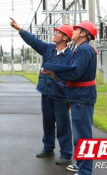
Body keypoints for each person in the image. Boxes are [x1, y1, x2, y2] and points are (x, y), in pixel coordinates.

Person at [10, 17, 73, 165]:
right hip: (47, 93)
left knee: (63, 125)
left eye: (58, 32)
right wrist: (20, 29)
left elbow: (72, 77)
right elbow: (33, 41)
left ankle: (66, 153)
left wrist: (70, 97)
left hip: (61, 96)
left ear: (65, 37)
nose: (55, 33)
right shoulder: (48, 49)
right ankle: (48, 147)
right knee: (48, 122)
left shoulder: (71, 56)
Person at [41, 20, 97, 175]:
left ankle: (85, 173)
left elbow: (75, 73)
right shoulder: (80, 50)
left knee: (83, 136)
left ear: (83, 34)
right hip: (78, 96)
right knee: (78, 135)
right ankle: (81, 164)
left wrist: (54, 74)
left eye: (77, 29)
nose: (73, 31)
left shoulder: (84, 50)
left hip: (81, 97)